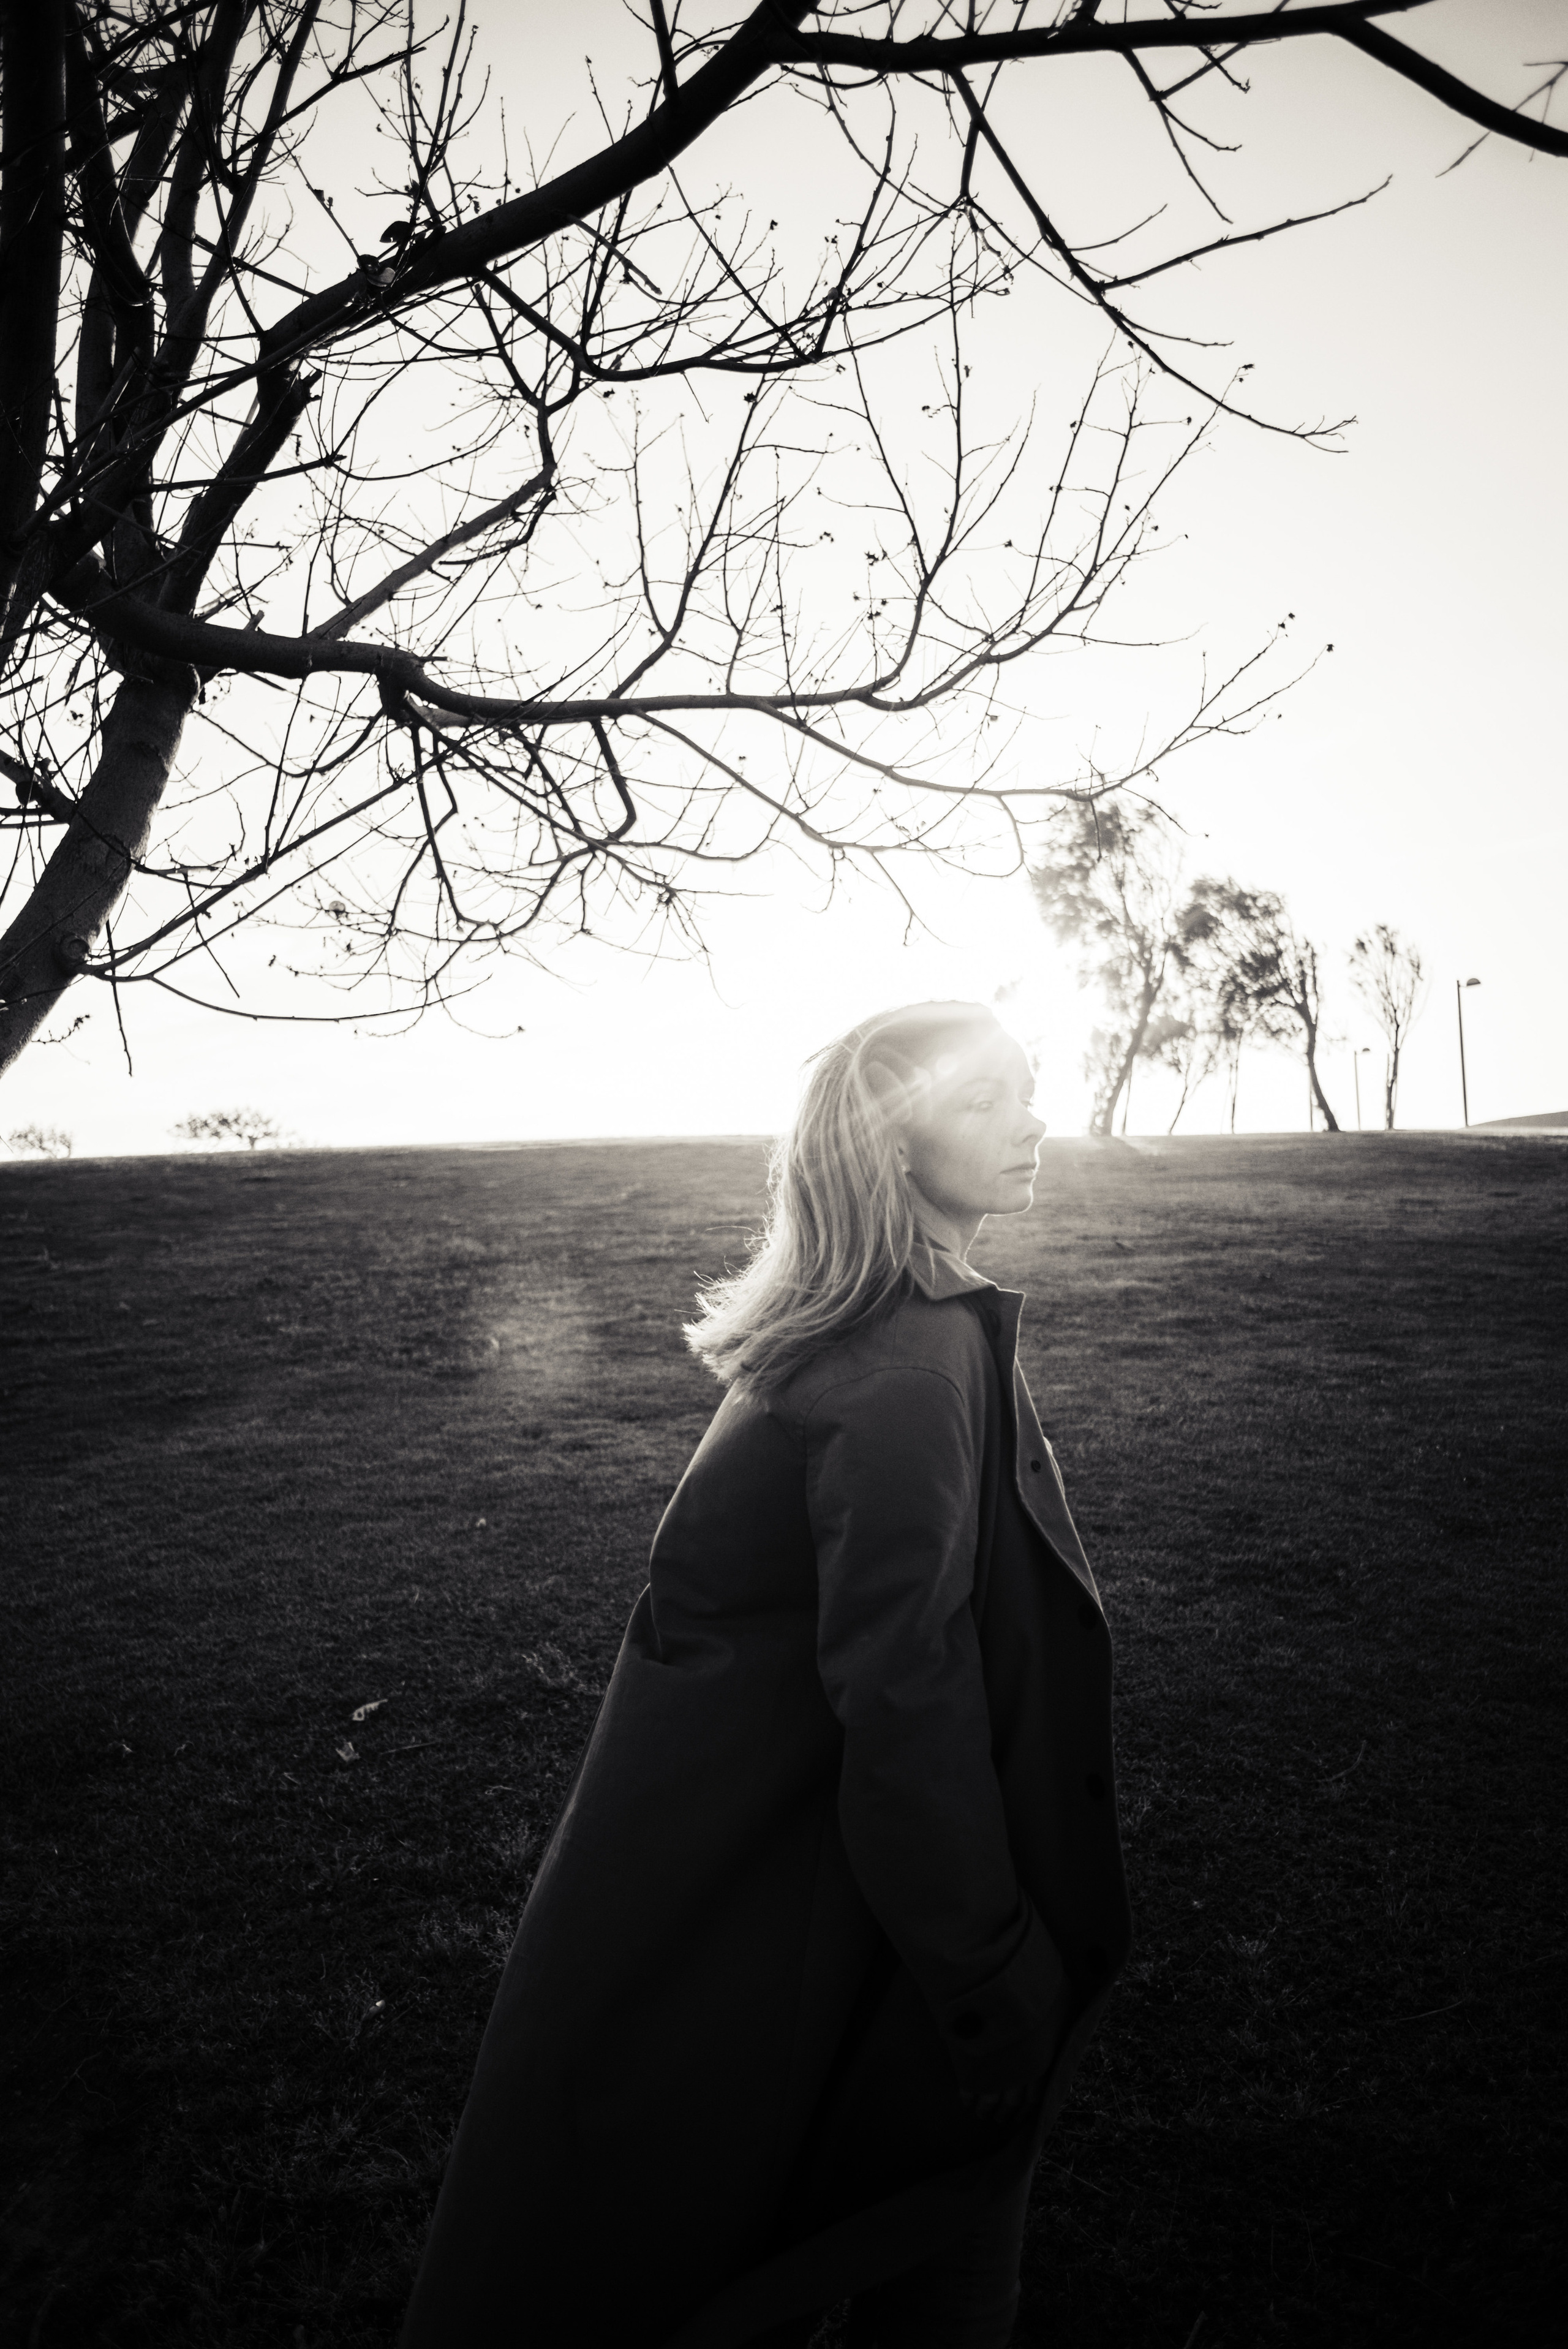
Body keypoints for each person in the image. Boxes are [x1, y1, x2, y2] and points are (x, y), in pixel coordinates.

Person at [401, 1000, 1131, 2349]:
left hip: (736, 1874)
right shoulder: (903, 1359)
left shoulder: (874, 1322)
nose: (1032, 1124)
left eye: (1030, 1092)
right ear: (890, 1146)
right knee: (910, 2250)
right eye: (986, 1101)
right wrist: (984, 1972)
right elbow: (904, 1699)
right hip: (786, 1908)